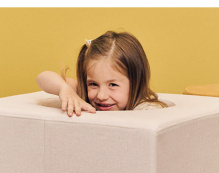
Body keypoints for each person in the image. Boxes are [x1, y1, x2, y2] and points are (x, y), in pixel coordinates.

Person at [36, 31, 167, 117]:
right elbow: (42, 77)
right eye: (93, 84)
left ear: (136, 82)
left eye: (113, 85)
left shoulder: (147, 110)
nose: (101, 96)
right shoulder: (83, 91)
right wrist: (63, 88)